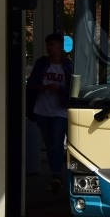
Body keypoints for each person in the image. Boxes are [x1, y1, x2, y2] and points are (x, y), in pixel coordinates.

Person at [26, 32, 72, 192]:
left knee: (57, 142)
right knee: (50, 143)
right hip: (42, 110)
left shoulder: (67, 66)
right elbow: (31, 84)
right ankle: (56, 173)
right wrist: (42, 87)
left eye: (52, 44)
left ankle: (56, 175)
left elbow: (73, 88)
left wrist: (60, 89)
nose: (49, 47)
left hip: (60, 111)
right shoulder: (42, 63)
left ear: (60, 46)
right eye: (48, 44)